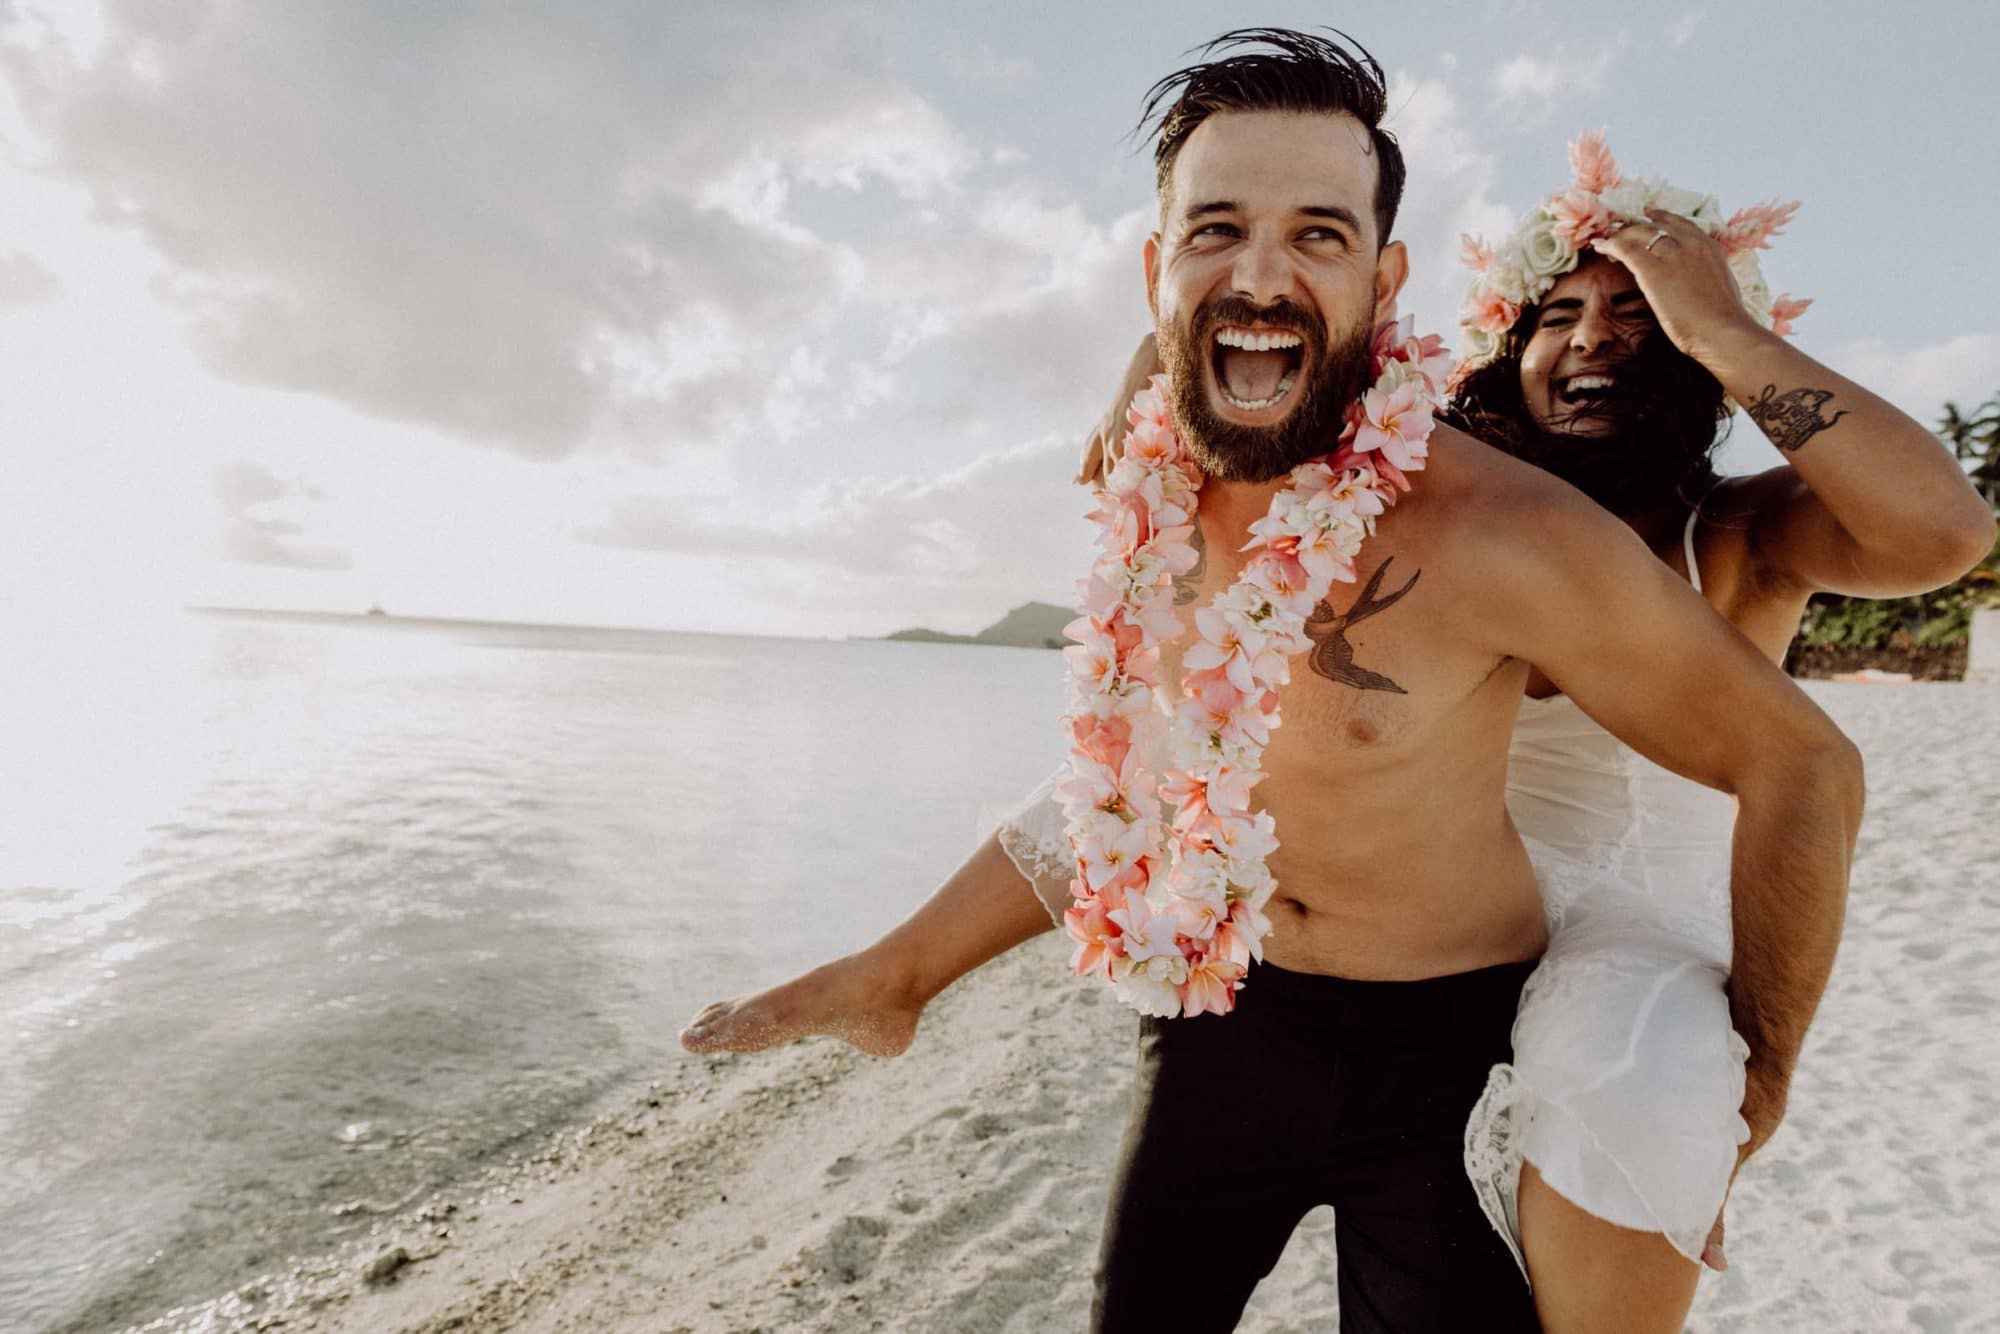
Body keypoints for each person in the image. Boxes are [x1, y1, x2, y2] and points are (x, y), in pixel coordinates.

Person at [681, 29, 1883, 1332]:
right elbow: (1113, 783)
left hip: (1447, 1045)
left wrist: (1762, 1067)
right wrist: (908, 959)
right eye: (1216, 232)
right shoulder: (1152, 484)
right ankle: (894, 981)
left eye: (1318, 234)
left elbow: (1804, 763)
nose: (1260, 271)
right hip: (1223, 1010)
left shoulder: (1509, 532)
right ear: (1157, 268)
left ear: (1386, 275)